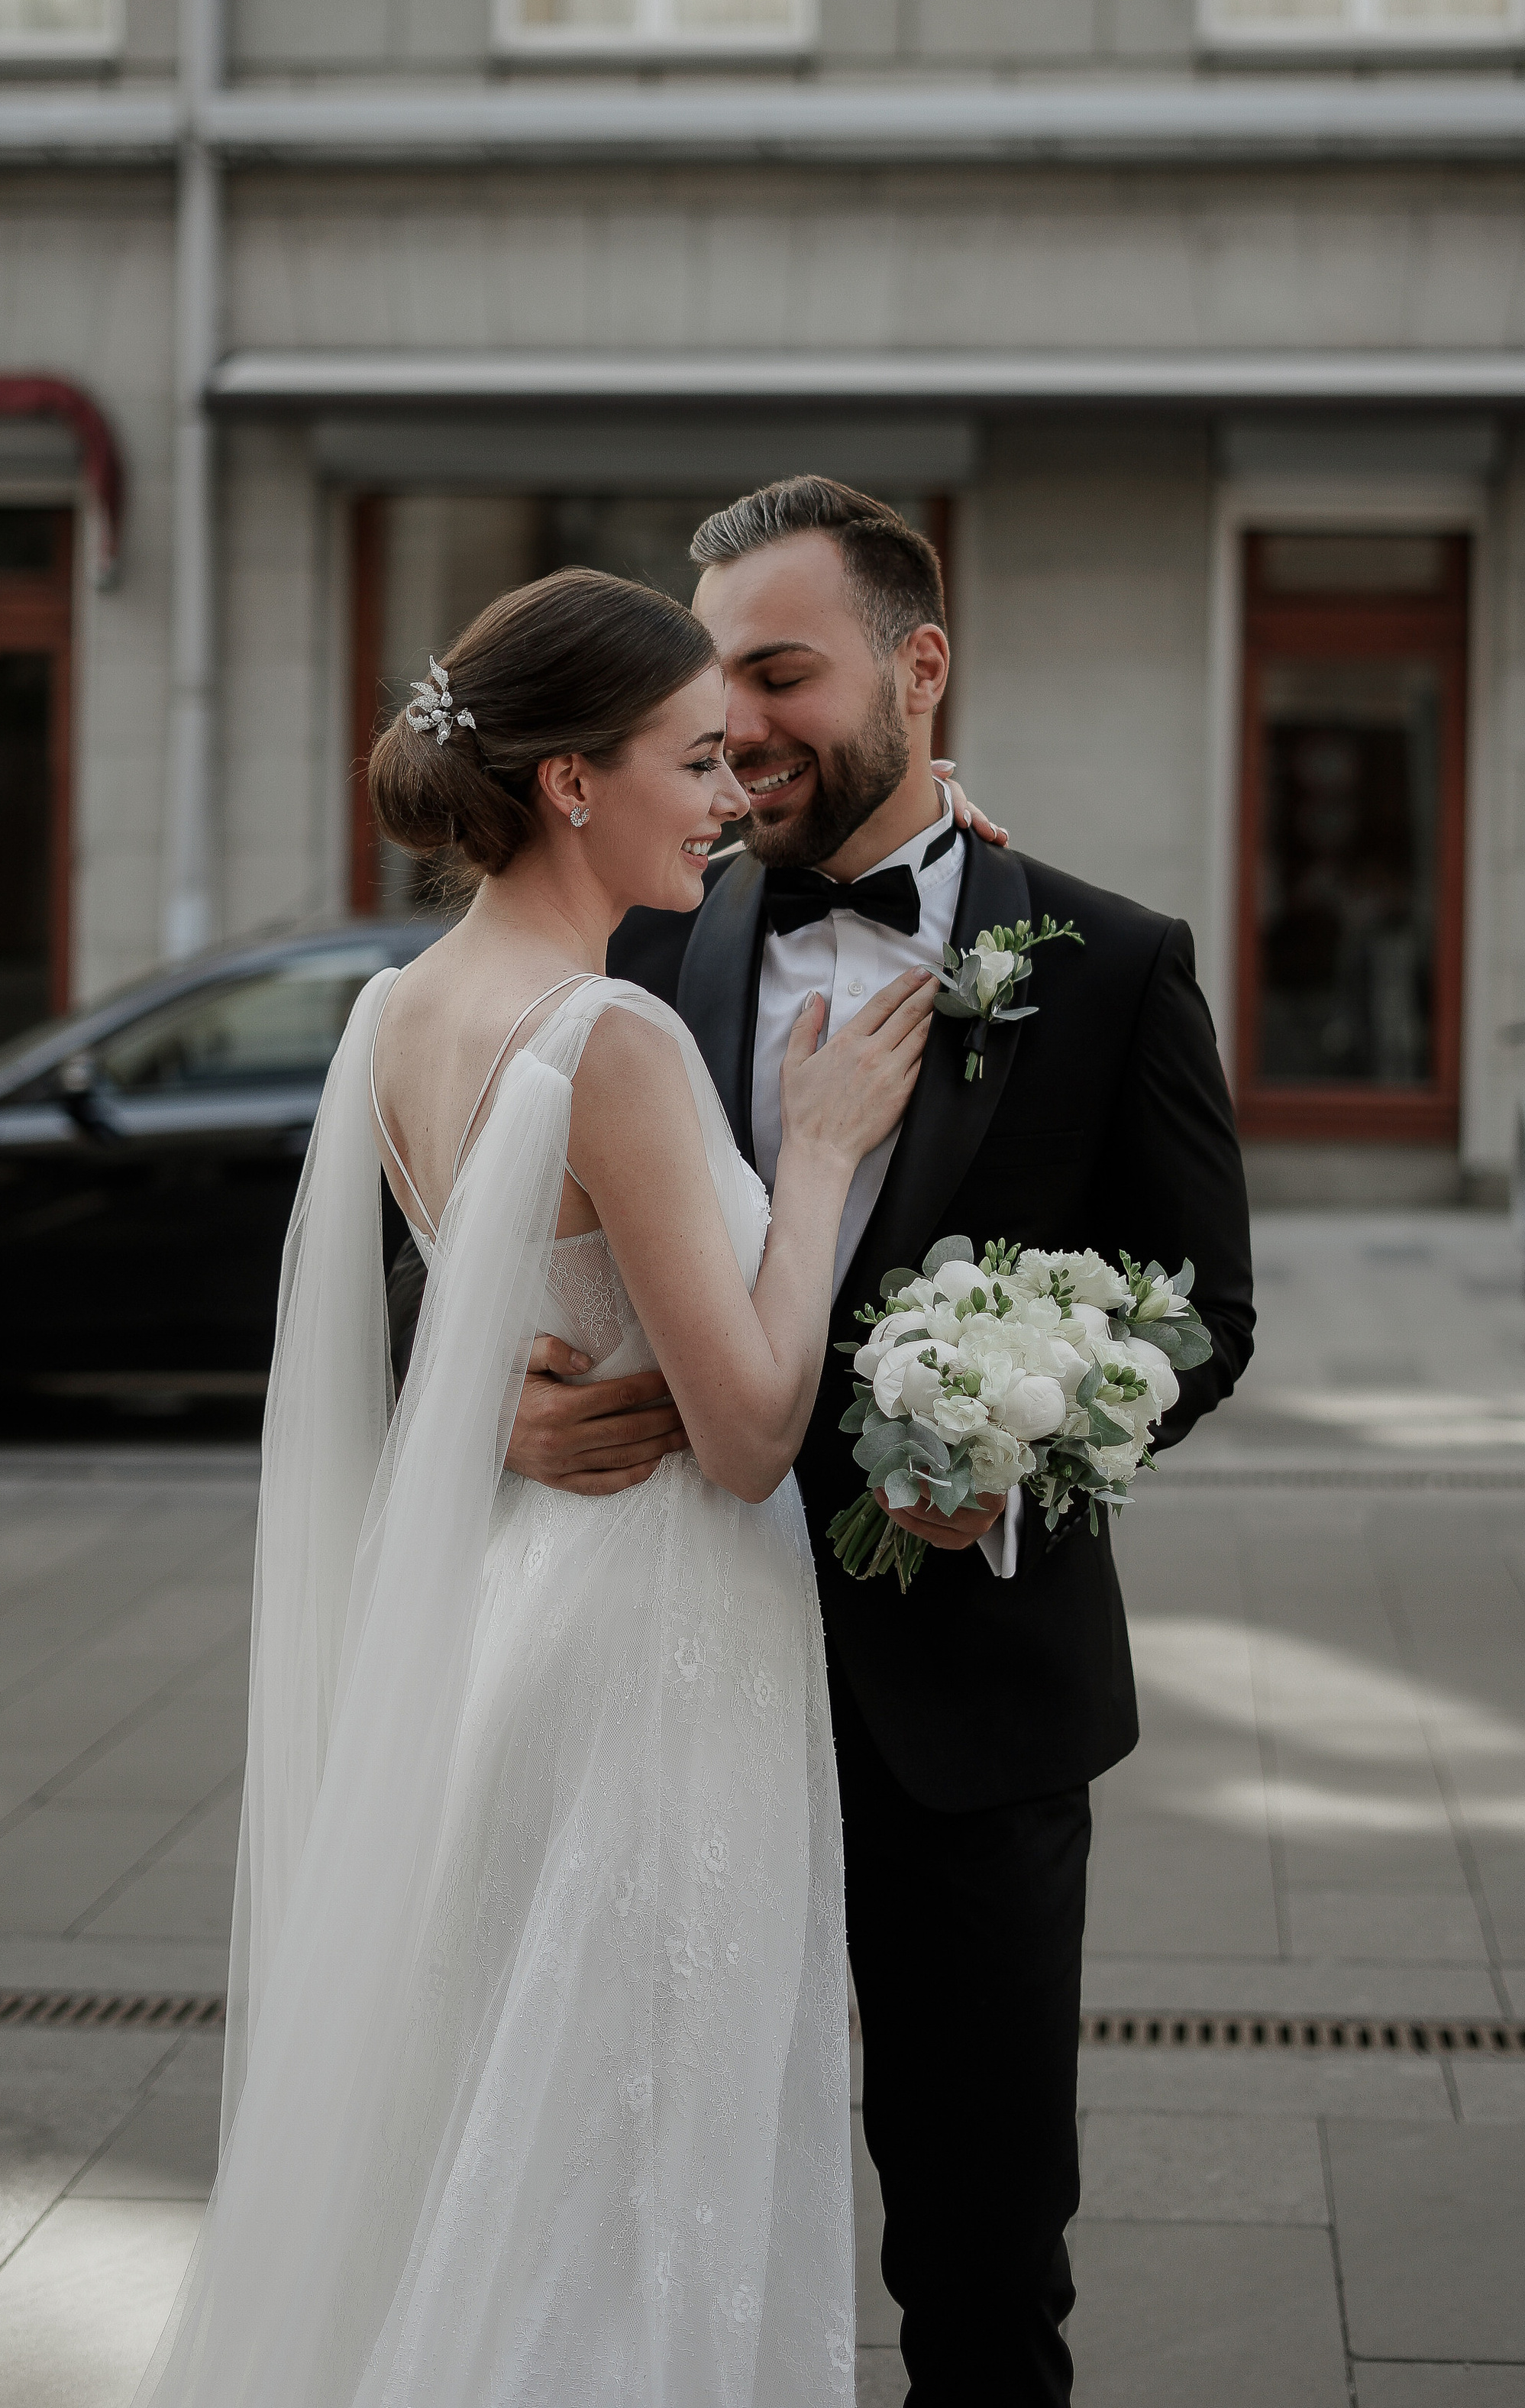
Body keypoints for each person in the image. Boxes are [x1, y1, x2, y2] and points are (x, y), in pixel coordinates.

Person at [133, 565, 939, 2408]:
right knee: (627, 2172)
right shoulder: (616, 1040)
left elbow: (443, 1313)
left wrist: (480, 1399)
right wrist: (810, 1167)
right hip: (656, 1659)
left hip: (520, 1633)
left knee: (514, 2147)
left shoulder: (396, 1011)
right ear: (573, 781)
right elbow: (739, 1435)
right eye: (691, 761)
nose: (727, 799)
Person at [509, 478, 1256, 2408]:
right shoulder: (650, 935)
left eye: (779, 670)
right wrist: (491, 1387)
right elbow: (482, 1194)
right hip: (668, 1667)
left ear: (917, 670)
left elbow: (1205, 1307)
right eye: (711, 682)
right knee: (652, 2212)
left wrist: (1039, 1439)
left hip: (972, 1715)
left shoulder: (1104, 961)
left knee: (981, 2251)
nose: (737, 723)